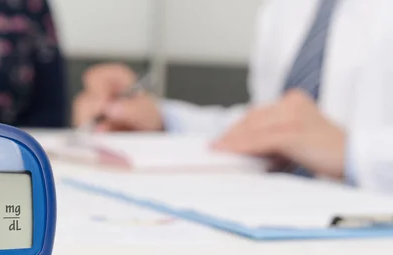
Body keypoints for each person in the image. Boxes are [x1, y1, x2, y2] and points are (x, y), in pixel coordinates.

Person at [73, 0, 393, 193]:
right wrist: (161, 120)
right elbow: (271, 126)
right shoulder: (287, 9)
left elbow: (313, 137)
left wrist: (353, 153)